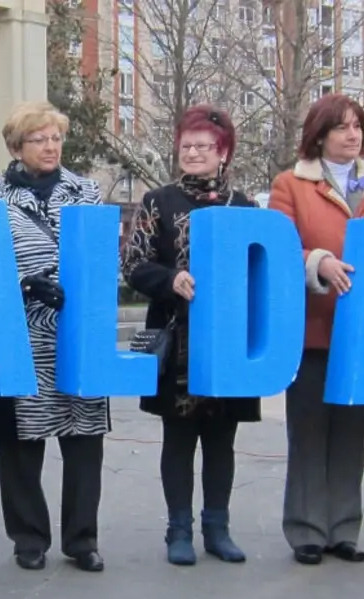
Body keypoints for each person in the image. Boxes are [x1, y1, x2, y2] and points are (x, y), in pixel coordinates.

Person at [268, 93, 364, 566]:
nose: (353, 135)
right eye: (343, 127)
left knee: (351, 430)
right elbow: (280, 247)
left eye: (358, 127)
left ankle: (344, 527)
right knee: (308, 429)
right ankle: (306, 528)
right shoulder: (291, 184)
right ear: (320, 134)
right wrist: (317, 262)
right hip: (311, 328)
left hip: (361, 329)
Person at [0, 101, 109, 573]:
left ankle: (82, 539)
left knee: (84, 440)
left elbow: (101, 258)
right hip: (23, 337)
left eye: (55, 138)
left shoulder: (87, 192)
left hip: (77, 333)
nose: (50, 146)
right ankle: (28, 538)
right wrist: (23, 286)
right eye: (39, 139)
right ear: (16, 147)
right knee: (21, 445)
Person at [122, 105, 259, 566]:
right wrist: (171, 279)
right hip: (176, 340)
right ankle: (178, 529)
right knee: (178, 439)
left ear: (223, 152)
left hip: (227, 343)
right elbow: (134, 266)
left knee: (223, 438)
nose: (195, 153)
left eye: (204, 146)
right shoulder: (158, 201)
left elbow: (261, 269)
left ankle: (217, 527)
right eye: (187, 146)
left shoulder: (244, 206)